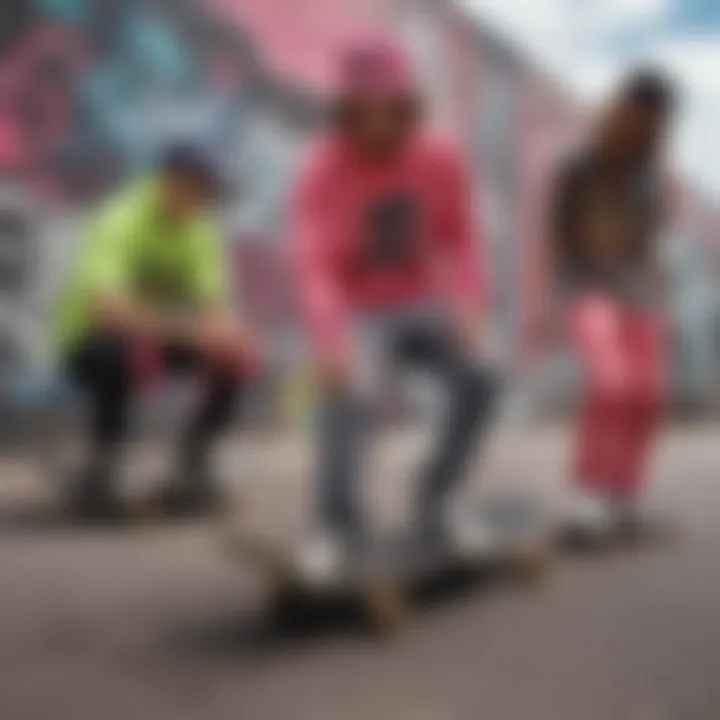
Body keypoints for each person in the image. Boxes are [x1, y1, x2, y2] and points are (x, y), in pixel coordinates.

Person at [289, 35, 496, 577]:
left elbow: (463, 239)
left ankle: (438, 497)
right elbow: (316, 266)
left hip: (420, 301)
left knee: (483, 375)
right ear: (346, 110)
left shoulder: (440, 155)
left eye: (390, 111)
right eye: (363, 112)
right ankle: (336, 526)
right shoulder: (322, 167)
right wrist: (332, 342)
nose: (377, 126)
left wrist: (471, 307)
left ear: (409, 106)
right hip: (359, 311)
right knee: (347, 389)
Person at [55, 143, 261, 520]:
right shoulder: (121, 218)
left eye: (208, 192)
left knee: (235, 357)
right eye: (197, 188)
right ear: (170, 182)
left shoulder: (200, 229)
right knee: (114, 359)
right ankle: (104, 468)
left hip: (159, 338)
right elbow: (107, 310)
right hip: (89, 339)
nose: (203, 200)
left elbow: (217, 307)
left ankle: (193, 463)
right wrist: (188, 331)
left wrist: (229, 336)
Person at [547, 69, 676, 536]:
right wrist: (549, 301)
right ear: (619, 114)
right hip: (590, 289)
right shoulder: (579, 168)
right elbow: (559, 235)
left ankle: (626, 491)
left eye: (652, 121)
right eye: (635, 116)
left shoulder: (650, 177)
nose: (641, 127)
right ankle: (588, 491)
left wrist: (662, 296)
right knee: (611, 384)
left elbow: (650, 241)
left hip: (642, 294)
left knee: (648, 395)